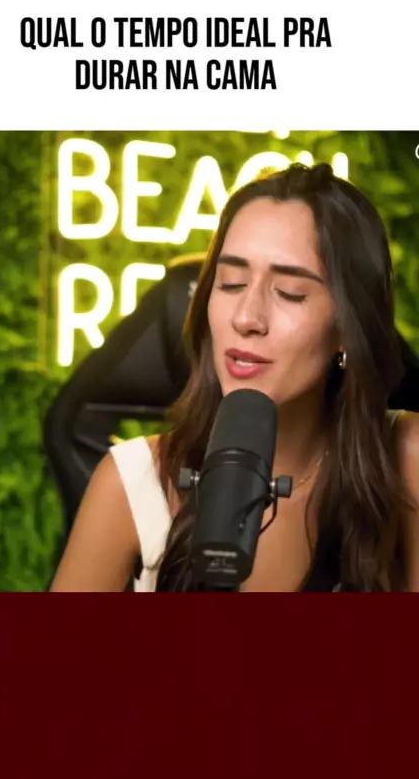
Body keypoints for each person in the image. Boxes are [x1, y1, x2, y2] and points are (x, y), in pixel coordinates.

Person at [50, 162, 419, 592]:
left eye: (289, 293)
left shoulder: (408, 459)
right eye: (230, 283)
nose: (246, 318)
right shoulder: (131, 483)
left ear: (346, 328)